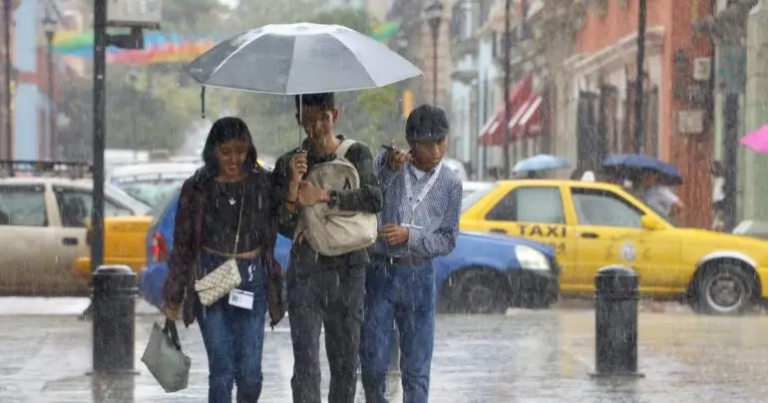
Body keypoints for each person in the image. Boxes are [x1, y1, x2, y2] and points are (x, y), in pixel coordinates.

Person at [162, 117, 285, 403]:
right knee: (222, 370)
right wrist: (172, 299)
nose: (234, 159)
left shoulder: (263, 183)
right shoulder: (197, 187)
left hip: (252, 278)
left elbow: (288, 213)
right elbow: (182, 247)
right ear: (213, 150)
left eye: (240, 151)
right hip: (209, 276)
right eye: (226, 151)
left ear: (249, 150)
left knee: (250, 375)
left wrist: (292, 187)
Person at [272, 92, 383, 403]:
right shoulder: (289, 162)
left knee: (345, 361)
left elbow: (374, 199)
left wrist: (325, 196)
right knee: (306, 363)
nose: (316, 127)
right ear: (298, 119)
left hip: (350, 267)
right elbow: (282, 224)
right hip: (307, 268)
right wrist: (293, 187)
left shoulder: (357, 153)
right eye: (308, 120)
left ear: (335, 115)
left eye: (322, 118)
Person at [360, 104, 463, 403]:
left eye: (441, 142)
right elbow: (368, 200)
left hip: (420, 275)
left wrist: (411, 237)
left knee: (417, 368)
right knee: (373, 362)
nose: (436, 151)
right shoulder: (387, 163)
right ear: (411, 142)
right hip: (380, 270)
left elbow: (448, 239)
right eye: (428, 144)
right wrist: (389, 172)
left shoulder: (451, 183)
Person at [711, 161, 726, 231]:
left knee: (718, 214)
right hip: (716, 199)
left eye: (714, 167)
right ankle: (718, 226)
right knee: (717, 214)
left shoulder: (721, 178)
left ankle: (715, 227)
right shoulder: (716, 177)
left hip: (720, 199)